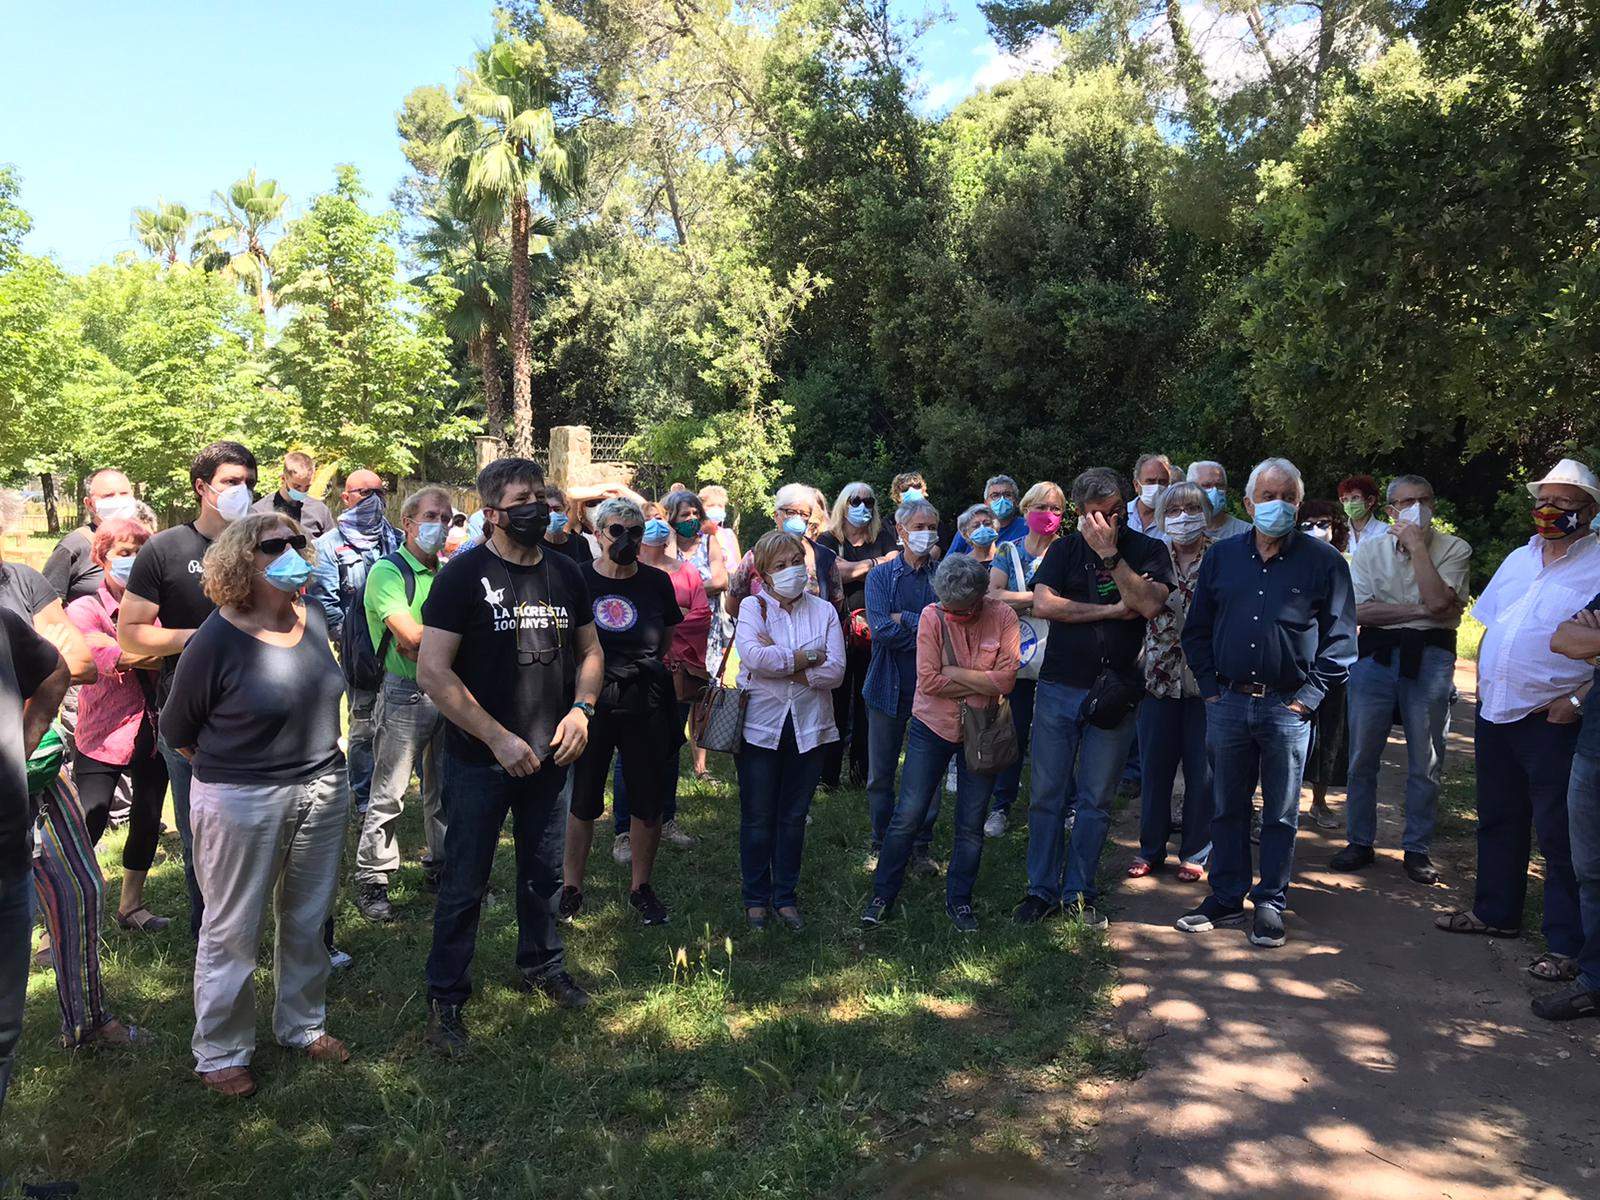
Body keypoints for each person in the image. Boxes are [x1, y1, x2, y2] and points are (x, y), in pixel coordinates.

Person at [161, 514, 352, 1097]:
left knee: (308, 916)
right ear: (243, 559)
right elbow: (177, 728)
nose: (294, 550)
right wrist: (243, 771)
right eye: (275, 545)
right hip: (242, 797)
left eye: (299, 541)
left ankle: (302, 1024)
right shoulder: (216, 636)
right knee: (232, 929)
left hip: (323, 786)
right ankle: (220, 1051)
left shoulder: (313, 617)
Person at [418, 458, 603, 1053]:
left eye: (541, 497)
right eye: (522, 500)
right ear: (493, 513)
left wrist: (583, 709)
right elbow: (433, 671)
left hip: (553, 754)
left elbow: (591, 649)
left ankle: (543, 965)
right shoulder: (462, 576)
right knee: (465, 882)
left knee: (543, 874)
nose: (538, 508)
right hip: (481, 759)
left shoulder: (568, 572)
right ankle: (447, 997)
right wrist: (495, 736)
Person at [1177, 457, 1357, 949]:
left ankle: (1272, 901)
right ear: (1249, 502)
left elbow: (1341, 642)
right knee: (1227, 805)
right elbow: (1196, 630)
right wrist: (1211, 690)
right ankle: (1226, 897)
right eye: (1267, 496)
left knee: (1279, 813)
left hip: (1287, 708)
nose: (1277, 505)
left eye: (1287, 497)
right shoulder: (1222, 556)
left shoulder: (1325, 563)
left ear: (1299, 504)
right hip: (1229, 702)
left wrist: (1307, 701)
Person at [1435, 459, 1600, 983]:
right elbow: (1492, 623)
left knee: (1559, 834)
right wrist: (1483, 677)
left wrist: (1577, 699)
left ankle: (1566, 943)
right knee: (1499, 817)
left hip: (1554, 717)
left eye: (1564, 504)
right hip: (1498, 709)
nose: (1548, 512)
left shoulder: (1599, 565)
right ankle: (1496, 912)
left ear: (1590, 512)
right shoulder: (1518, 557)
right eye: (1543, 501)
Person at [1014, 469, 1172, 929]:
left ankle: (1078, 891)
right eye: (1095, 515)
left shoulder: (1148, 550)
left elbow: (1147, 605)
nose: (1106, 522)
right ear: (1080, 513)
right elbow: (1043, 604)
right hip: (1061, 685)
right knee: (1046, 794)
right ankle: (1039, 889)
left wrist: (1110, 557)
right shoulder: (1063, 549)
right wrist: (1107, 610)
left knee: (1096, 798)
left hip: (1117, 692)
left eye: (1114, 513)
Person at [120, 439, 259, 939]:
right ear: (202, 487)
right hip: (190, 721)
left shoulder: (264, 542)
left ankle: (283, 934)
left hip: (264, 714)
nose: (241, 491)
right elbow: (131, 633)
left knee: (269, 830)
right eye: (230, 482)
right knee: (205, 838)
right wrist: (200, 638)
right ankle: (211, 941)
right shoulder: (166, 549)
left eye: (248, 482)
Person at [862, 555, 1019, 932]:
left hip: (983, 730)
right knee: (907, 815)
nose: (955, 616)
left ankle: (960, 901)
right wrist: (983, 678)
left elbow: (1008, 681)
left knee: (971, 822)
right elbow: (929, 681)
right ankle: (882, 894)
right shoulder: (933, 616)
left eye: (964, 612)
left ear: (981, 599)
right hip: (931, 726)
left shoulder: (1004, 617)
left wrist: (955, 673)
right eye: (950, 609)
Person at [1332, 475, 1470, 884]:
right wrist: (1426, 611)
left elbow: (1441, 603)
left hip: (1431, 659)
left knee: (1425, 758)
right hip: (1374, 658)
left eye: (1423, 500)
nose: (1415, 508)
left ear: (1434, 505)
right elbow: (1360, 612)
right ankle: (1359, 841)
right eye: (1406, 502)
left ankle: (1417, 848)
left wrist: (1417, 549)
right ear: (1390, 509)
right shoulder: (1370, 551)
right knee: (1361, 756)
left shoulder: (1455, 548)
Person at [560, 499, 685, 926]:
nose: (627, 540)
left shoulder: (656, 582)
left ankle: (641, 887)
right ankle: (571, 886)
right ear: (598, 534)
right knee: (583, 797)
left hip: (645, 698)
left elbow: (664, 638)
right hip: (592, 700)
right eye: (617, 531)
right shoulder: (576, 579)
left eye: (635, 532)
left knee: (647, 798)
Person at [734, 530, 846, 931]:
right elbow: (752, 656)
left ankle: (785, 897)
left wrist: (783, 665)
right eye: (779, 566)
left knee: (793, 817)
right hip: (760, 728)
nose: (790, 571)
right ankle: (755, 899)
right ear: (764, 575)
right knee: (758, 817)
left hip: (810, 729)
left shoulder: (824, 611)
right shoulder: (752, 607)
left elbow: (835, 672)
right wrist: (806, 659)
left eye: (795, 561)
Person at [351, 487, 454, 922]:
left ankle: (442, 866)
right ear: (407, 523)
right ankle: (373, 879)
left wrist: (441, 646)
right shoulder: (387, 572)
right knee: (389, 792)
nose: (441, 525)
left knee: (446, 790)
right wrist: (455, 643)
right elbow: (409, 640)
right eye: (431, 516)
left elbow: (422, 640)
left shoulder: (451, 571)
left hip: (450, 691)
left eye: (447, 518)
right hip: (404, 693)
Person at [64, 516, 170, 930]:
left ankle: (131, 907)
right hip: (101, 734)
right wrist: (164, 647)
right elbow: (105, 657)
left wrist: (154, 646)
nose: (134, 561)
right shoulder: (86, 607)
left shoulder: (163, 605)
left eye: (142, 553)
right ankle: (65, 920)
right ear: (102, 557)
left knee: (146, 819)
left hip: (154, 732)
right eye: (124, 553)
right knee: (88, 821)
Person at [0, 605, 70, 1118]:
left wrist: (21, 748)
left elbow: (54, 672)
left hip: (8, 855)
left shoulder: (2, 623)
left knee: (4, 1030)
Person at [1127, 482, 1213, 881]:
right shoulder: (1150, 556)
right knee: (1155, 769)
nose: (1183, 516)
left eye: (1191, 507)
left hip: (1208, 682)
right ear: (1162, 516)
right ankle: (1151, 849)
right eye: (1174, 509)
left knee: (1203, 770)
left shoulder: (1222, 556)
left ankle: (1196, 852)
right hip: (1157, 678)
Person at [307, 469, 402, 822]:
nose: (374, 499)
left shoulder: (398, 539)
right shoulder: (329, 546)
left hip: (400, 649)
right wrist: (353, 645)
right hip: (360, 653)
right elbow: (328, 605)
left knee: (396, 722)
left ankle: (390, 789)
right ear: (346, 498)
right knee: (363, 724)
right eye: (364, 492)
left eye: (380, 492)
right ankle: (364, 798)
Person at [861, 499, 941, 865]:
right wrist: (927, 631)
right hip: (886, 686)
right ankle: (882, 842)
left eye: (932, 525)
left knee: (928, 774)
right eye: (920, 526)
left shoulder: (944, 575)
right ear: (902, 531)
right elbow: (881, 631)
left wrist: (905, 618)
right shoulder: (880, 576)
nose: (927, 532)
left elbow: (952, 632)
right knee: (881, 774)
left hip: (933, 691)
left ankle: (921, 845)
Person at [985, 481, 1067, 837]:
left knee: (1057, 734)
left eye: (1055, 508)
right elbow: (992, 595)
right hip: (1016, 656)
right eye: (1041, 507)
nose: (1047, 514)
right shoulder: (1008, 550)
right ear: (1026, 509)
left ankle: (1065, 805)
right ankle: (1001, 806)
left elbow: (1074, 599)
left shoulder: (1068, 551)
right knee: (1013, 732)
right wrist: (1038, 598)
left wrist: (1022, 599)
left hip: (1058, 655)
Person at [632, 488, 713, 848]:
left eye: (661, 519)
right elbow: (630, 622)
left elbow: (701, 617)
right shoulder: (629, 572)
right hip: (639, 672)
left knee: (669, 746)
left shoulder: (688, 573)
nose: (657, 526)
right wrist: (670, 618)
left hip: (680, 671)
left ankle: (667, 819)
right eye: (648, 520)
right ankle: (625, 828)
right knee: (632, 752)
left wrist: (663, 623)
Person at [816, 483, 899, 790]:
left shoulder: (883, 535)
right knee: (835, 702)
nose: (863, 505)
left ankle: (862, 772)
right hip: (838, 631)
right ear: (843, 504)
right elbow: (836, 572)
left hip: (874, 631)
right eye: (856, 500)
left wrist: (857, 567)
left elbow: (895, 568)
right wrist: (877, 563)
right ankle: (828, 775)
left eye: (868, 500)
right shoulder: (828, 540)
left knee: (868, 702)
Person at [1544, 584, 1600, 1020]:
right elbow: (1564, 640)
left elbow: (1585, 644)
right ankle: (1593, 982)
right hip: (1594, 748)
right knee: (1591, 871)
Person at [1295, 499, 1353, 833]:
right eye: (1307, 524)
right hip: (1296, 662)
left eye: (1322, 523)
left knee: (1330, 733)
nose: (1316, 530)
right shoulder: (1292, 561)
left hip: (1332, 662)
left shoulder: (1343, 563)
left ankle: (1319, 801)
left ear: (1336, 527)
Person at [727, 485, 844, 611]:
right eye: (791, 512)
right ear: (776, 515)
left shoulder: (824, 556)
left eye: (804, 514)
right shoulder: (754, 556)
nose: (797, 518)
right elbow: (733, 605)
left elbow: (836, 601)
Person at [687, 486, 735, 779]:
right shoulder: (667, 542)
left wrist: (686, 587)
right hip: (680, 628)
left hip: (712, 623)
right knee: (683, 690)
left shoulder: (716, 539)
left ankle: (700, 763)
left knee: (705, 692)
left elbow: (723, 579)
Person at [43, 468, 140, 604]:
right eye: (108, 496)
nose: (118, 500)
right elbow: (47, 606)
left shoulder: (146, 543)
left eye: (124, 494)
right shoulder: (74, 546)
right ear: (89, 504)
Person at [253, 451, 333, 539]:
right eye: (297, 486)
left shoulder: (319, 510)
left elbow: (332, 545)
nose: (302, 491)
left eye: (307, 486)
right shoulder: (260, 512)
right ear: (283, 479)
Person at [949, 476, 1026, 555]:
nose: (1002, 499)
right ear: (986, 503)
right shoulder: (969, 527)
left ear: (1016, 501)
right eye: (995, 495)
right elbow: (948, 564)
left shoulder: (1027, 527)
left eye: (1007, 495)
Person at [1186, 462, 1251, 541]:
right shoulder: (1180, 531)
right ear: (1190, 490)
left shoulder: (1246, 532)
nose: (1215, 491)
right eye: (1206, 485)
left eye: (1219, 485)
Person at [541, 485, 594, 566]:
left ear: (565, 510)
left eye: (557, 509)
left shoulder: (580, 543)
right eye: (547, 510)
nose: (552, 515)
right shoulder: (535, 547)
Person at [1126, 454, 1174, 535]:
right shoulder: (1122, 513)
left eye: (1162, 482)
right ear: (1136, 485)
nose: (1157, 487)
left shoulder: (1175, 519)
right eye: (1150, 481)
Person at [1338, 474, 1389, 549]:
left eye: (1355, 497)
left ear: (1370, 500)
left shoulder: (1384, 532)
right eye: (1345, 499)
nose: (1349, 504)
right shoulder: (1339, 532)